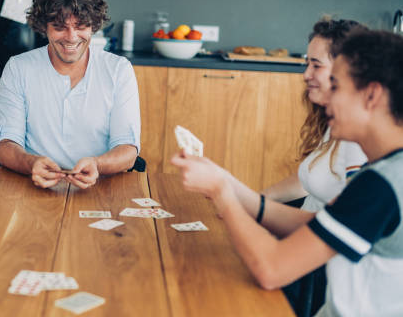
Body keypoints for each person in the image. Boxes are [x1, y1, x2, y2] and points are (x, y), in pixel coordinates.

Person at [171, 29, 403, 316]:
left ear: (372, 95)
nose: (327, 97)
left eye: (337, 86)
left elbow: (271, 269)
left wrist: (222, 193)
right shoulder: (388, 171)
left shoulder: (379, 185)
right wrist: (226, 183)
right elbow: (316, 224)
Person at [0, 0, 140, 189]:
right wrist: (30, 163)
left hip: (100, 188)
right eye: (60, 27)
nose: (71, 37)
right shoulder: (18, 68)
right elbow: (5, 144)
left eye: (80, 26)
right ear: (44, 27)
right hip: (32, 186)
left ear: (94, 25)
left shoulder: (118, 70)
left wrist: (97, 164)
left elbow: (127, 150)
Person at [262, 18, 367, 212]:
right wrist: (258, 200)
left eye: (316, 65)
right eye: (307, 63)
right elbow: (311, 179)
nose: (305, 74)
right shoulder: (336, 120)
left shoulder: (357, 140)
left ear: (348, 70)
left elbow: (345, 223)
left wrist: (255, 208)